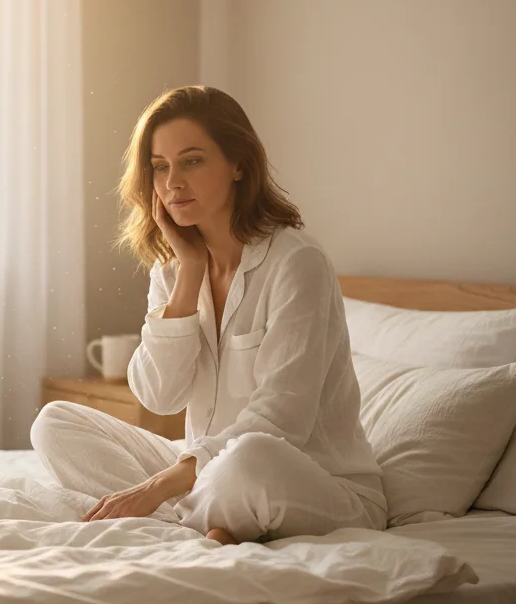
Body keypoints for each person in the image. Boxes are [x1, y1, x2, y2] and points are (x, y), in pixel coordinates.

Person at [30, 86, 387, 545]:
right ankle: (204, 521)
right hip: (203, 473)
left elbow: (282, 420)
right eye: (160, 167)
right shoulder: (174, 265)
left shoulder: (298, 263)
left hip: (309, 481)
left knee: (248, 460)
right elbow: (159, 396)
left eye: (192, 161)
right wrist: (190, 272)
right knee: (56, 422)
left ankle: (190, 514)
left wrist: (158, 485)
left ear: (238, 163)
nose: (172, 182)